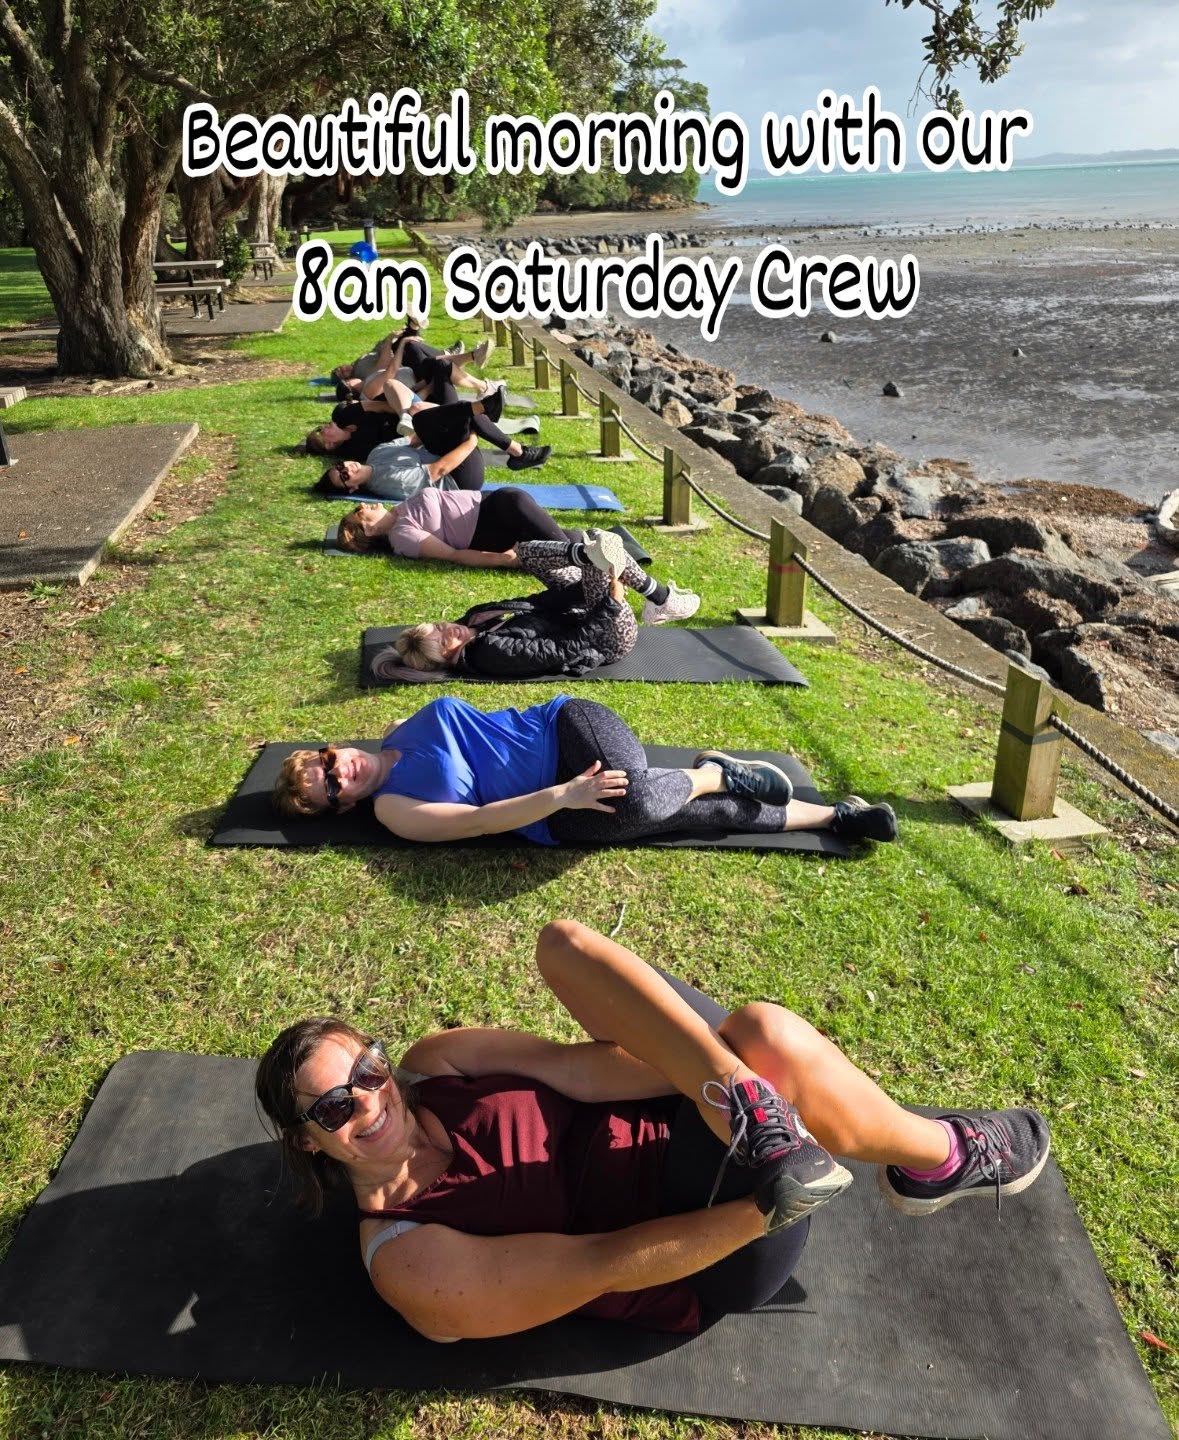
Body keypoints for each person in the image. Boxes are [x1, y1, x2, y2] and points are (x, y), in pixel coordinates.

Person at [255, 918, 1052, 1340]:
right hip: (700, 1240)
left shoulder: (436, 1065)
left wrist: (710, 1078)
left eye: (367, 1069)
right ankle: (937, 1156)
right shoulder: (409, 1258)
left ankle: (764, 1104)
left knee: (563, 945)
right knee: (769, 1038)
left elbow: (583, 1069)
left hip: (687, 1115)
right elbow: (603, 1263)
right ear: (306, 1139)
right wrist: (768, 1206)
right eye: (335, 1107)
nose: (369, 1101)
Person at [271, 693, 900, 847]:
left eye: (325, 761)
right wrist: (565, 795)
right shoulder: (393, 811)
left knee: (642, 798)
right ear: (343, 807)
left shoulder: (396, 732)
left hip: (566, 725)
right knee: (667, 814)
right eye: (329, 789)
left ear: (332, 748)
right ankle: (836, 816)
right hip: (559, 811)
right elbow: (485, 820)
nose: (338, 772)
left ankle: (713, 771)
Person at [376, 530, 701, 682]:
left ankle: (636, 587)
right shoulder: (491, 653)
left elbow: (536, 604)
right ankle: (660, 599)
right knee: (603, 557)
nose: (453, 629)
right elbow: (570, 648)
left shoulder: (474, 620)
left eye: (442, 626)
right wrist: (610, 604)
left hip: (579, 613)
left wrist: (580, 591)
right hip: (605, 638)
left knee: (529, 550)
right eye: (448, 639)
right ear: (448, 658)